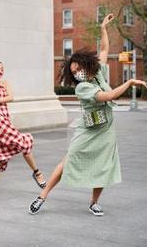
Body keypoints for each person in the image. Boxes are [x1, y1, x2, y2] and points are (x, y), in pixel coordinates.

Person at [28, 14, 147, 216]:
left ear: (85, 65)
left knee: (103, 166)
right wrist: (129, 83)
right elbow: (107, 95)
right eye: (73, 73)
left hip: (106, 128)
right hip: (89, 129)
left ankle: (94, 202)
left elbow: (103, 49)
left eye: (78, 69)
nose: (77, 74)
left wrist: (103, 28)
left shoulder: (97, 72)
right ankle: (42, 196)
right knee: (69, 159)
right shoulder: (82, 88)